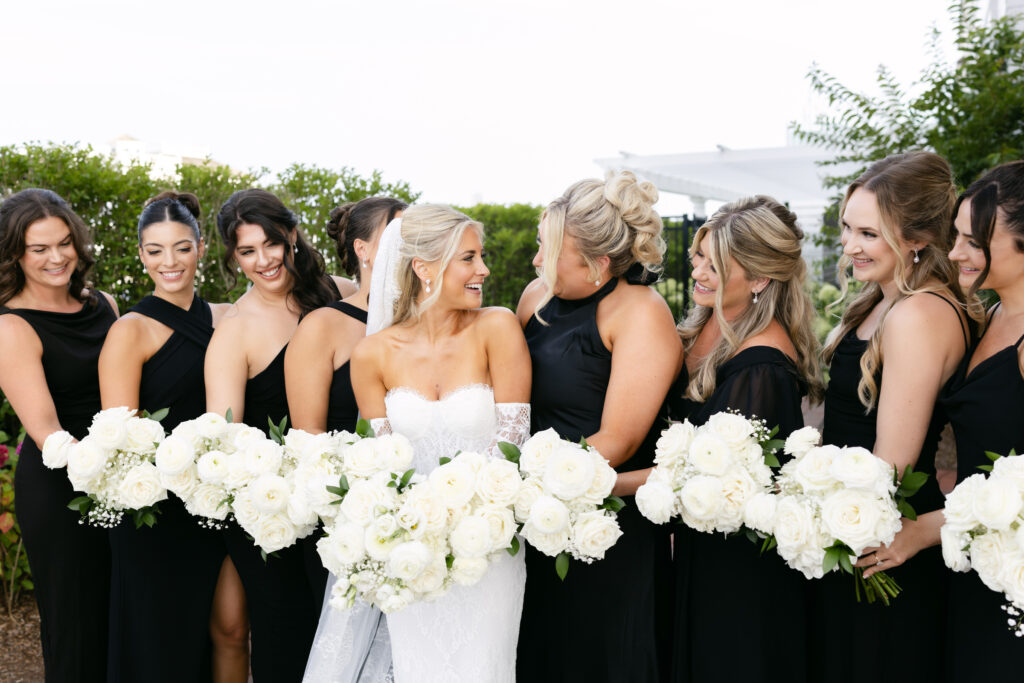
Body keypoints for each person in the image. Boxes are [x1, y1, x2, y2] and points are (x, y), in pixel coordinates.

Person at [341, 204, 532, 683]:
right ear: (423, 268)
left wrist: (469, 521)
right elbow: (379, 467)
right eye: (468, 258)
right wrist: (415, 530)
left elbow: (513, 444)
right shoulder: (371, 355)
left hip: (488, 548)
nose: (483, 269)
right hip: (413, 556)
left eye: (481, 256)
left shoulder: (498, 328)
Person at [515, 171, 682, 682]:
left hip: (607, 528)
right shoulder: (534, 299)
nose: (536, 260)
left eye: (548, 250)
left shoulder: (640, 313)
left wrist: (527, 485)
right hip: (533, 519)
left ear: (599, 262)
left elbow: (619, 439)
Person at [814, 151, 967, 683]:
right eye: (846, 228)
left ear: (917, 238)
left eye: (869, 233)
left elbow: (891, 466)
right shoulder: (878, 302)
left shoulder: (920, 312)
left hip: (885, 543)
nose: (851, 245)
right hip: (857, 532)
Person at [667, 196, 823, 682]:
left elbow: (729, 490)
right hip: (698, 555)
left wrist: (603, 483)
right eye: (698, 257)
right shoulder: (707, 325)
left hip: (736, 576)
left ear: (758, 280)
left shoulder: (763, 367)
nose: (698, 271)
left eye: (715, 265)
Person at [204, 188, 349, 682]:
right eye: (247, 251)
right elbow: (223, 440)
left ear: (291, 235)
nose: (263, 260)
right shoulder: (236, 330)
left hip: (347, 496)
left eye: (271, 243)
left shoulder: (340, 294)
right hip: (274, 512)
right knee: (288, 634)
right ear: (233, 256)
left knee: (347, 635)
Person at [98, 191, 230, 683]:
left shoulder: (224, 318)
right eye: (155, 251)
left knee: (218, 633)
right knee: (156, 639)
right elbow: (120, 438)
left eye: (181, 247)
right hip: (152, 511)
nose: (169, 262)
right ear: (140, 255)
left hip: (214, 503)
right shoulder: (129, 330)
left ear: (199, 247)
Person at [0, 188, 119, 682]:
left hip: (126, 482)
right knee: (76, 620)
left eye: (64, 243)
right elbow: (46, 429)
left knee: (125, 614)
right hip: (58, 486)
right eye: (39, 248)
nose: (57, 257)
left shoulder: (106, 304)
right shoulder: (10, 325)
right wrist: (106, 465)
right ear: (14, 255)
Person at [940, 161, 1024, 680]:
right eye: (956, 237)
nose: (955, 253)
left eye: (974, 241)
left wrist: (933, 528)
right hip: (975, 562)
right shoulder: (990, 314)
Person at [285, 196, 407, 434]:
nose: (413, 246)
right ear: (363, 249)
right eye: (398, 236)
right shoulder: (321, 327)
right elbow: (308, 435)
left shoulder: (429, 320)